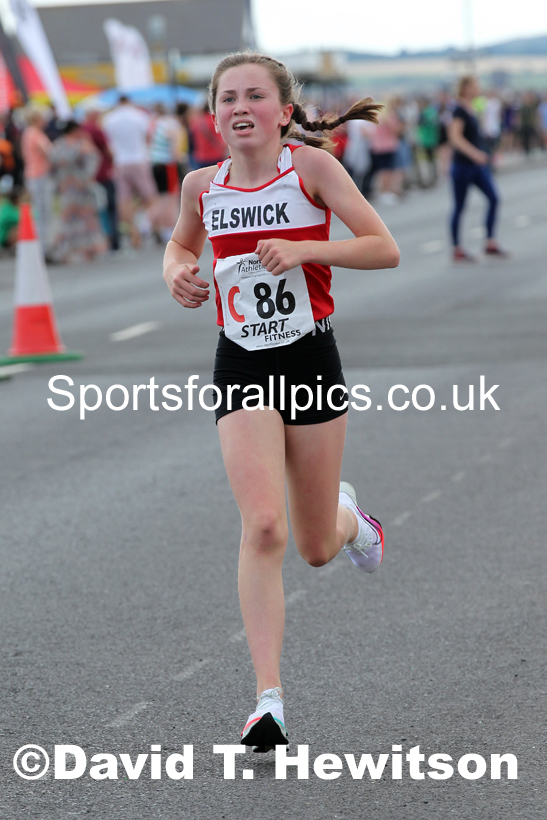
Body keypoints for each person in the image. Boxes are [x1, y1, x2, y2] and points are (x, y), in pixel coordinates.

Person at [163, 52, 400, 752]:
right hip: (241, 362)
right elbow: (179, 246)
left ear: (283, 112)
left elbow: (382, 248)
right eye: (226, 97)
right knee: (263, 526)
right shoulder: (199, 186)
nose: (240, 106)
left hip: (309, 356)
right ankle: (268, 702)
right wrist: (176, 272)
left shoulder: (313, 172)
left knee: (316, 547)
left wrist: (304, 251)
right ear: (212, 117)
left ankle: (351, 520)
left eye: (254, 96)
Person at [448, 76, 508, 262]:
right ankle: (457, 247)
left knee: (494, 198)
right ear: (465, 88)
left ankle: (490, 241)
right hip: (463, 165)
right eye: (475, 86)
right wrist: (475, 154)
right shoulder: (458, 110)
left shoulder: (473, 108)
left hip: (477, 165)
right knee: (460, 205)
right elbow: (455, 137)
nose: (478, 89)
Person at [49, 121, 108, 264]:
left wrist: (59, 182)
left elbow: (52, 166)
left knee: (68, 219)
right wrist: (87, 178)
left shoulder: (57, 146)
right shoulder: (81, 144)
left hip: (66, 187)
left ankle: (62, 251)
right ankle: (91, 249)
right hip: (80, 186)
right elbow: (94, 159)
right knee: (86, 218)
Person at [103, 95, 157, 247]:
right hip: (139, 158)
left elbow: (108, 143)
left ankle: (133, 229)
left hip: (120, 161)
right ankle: (143, 223)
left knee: (123, 199)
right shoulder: (139, 116)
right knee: (150, 197)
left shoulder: (109, 119)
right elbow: (148, 137)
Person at [82, 107, 120, 251]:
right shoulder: (95, 130)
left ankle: (102, 242)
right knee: (109, 207)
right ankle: (113, 241)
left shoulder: (82, 129)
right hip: (102, 173)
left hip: (90, 175)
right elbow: (107, 150)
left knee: (97, 209)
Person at [20, 108, 53, 253]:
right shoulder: (34, 134)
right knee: (42, 211)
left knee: (39, 210)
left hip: (33, 174)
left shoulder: (27, 133)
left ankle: (41, 245)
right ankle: (42, 246)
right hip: (39, 175)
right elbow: (49, 151)